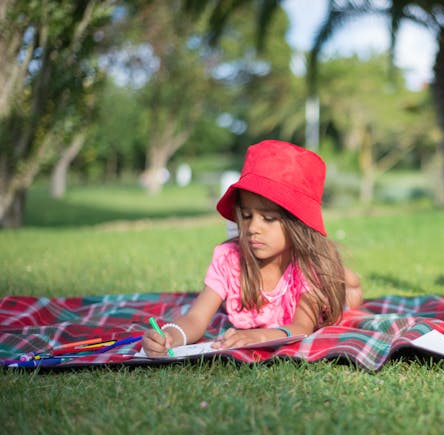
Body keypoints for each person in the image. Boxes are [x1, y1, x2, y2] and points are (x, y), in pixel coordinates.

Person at [142, 140, 363, 356]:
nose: (252, 228)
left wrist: (258, 336)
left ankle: (346, 280)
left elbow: (302, 327)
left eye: (268, 218)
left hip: (329, 283)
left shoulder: (308, 267)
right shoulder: (228, 259)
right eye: (246, 216)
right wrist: (172, 335)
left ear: (298, 224)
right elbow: (196, 318)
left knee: (346, 285)